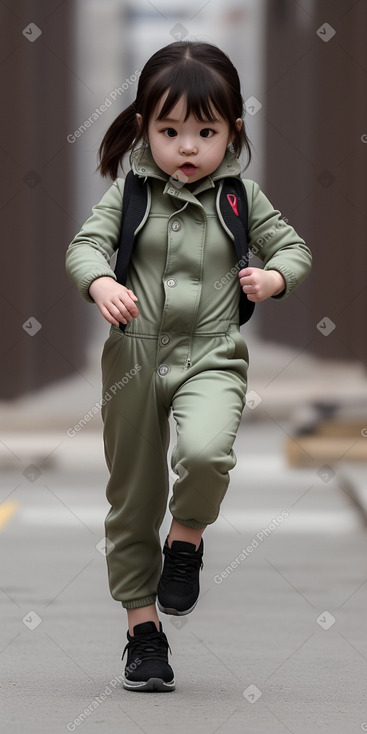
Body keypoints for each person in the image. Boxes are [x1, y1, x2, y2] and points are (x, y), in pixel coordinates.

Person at [65, 40, 312, 693]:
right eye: (169, 130)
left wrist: (274, 277)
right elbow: (84, 247)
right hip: (134, 352)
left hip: (212, 349)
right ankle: (142, 632)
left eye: (205, 131)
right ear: (144, 126)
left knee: (205, 453)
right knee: (133, 496)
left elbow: (293, 248)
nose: (187, 146)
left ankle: (187, 541)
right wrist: (99, 285)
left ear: (231, 129)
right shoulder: (129, 193)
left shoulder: (239, 196)